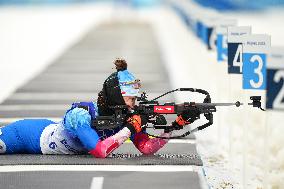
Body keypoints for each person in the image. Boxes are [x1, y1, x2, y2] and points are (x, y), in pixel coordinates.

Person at [0, 58, 198, 158]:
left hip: (45, 132)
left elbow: (147, 148)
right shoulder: (81, 116)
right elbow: (99, 151)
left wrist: (176, 126)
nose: (134, 104)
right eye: (130, 99)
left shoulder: (126, 116)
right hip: (26, 135)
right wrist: (129, 129)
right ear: (116, 96)